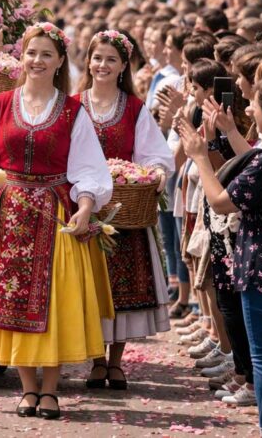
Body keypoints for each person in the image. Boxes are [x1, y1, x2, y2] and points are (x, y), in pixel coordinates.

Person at [0, 22, 114, 420]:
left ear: (60, 60)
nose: (37, 60)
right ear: (20, 57)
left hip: (54, 213)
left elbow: (89, 169)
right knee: (12, 301)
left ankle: (51, 389)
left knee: (54, 302)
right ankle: (28, 387)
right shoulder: (0, 105)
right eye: (31, 53)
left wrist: (83, 206)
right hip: (9, 214)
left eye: (47, 54)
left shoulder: (73, 111)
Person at [178, 75, 262, 438]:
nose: (249, 110)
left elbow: (220, 200)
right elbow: (260, 163)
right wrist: (229, 133)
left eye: (254, 106)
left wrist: (200, 156)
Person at [76, 30, 174, 390]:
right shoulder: (73, 104)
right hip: (83, 207)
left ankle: (115, 361)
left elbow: (155, 155)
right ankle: (96, 361)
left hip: (124, 209)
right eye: (97, 58)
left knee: (121, 287)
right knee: (88, 283)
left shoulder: (134, 108)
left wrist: (153, 173)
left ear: (123, 67)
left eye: (111, 60)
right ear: (88, 61)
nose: (102, 65)